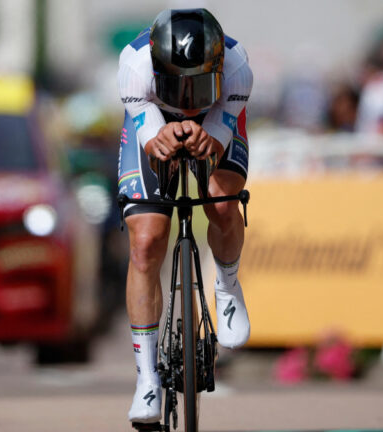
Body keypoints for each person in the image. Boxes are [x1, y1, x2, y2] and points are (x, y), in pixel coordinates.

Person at [116, 8, 252, 424]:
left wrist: (209, 132)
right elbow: (147, 126)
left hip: (217, 115)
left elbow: (222, 127)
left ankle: (227, 285)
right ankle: (147, 379)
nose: (187, 96)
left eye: (198, 83)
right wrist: (159, 134)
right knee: (146, 241)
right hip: (153, 114)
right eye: (178, 84)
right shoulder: (134, 64)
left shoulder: (238, 67)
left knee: (221, 203)